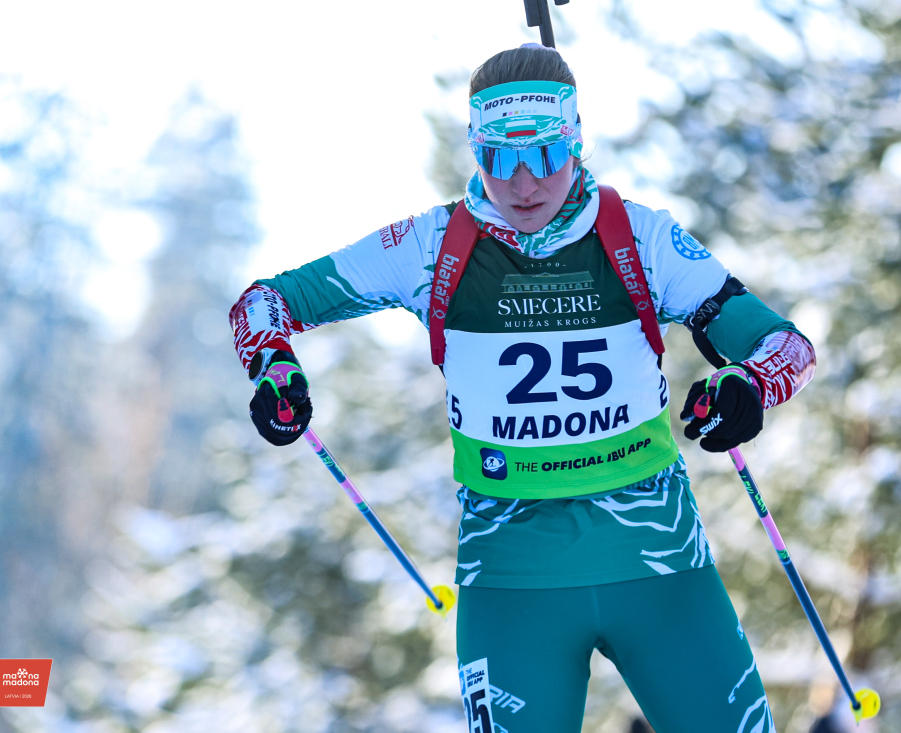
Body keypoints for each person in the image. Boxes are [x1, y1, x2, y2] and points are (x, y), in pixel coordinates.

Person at [229, 44, 816, 733]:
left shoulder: (641, 238)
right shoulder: (430, 246)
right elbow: (263, 303)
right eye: (498, 158)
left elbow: (787, 347)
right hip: (512, 581)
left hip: (657, 562)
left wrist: (749, 386)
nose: (523, 181)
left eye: (545, 153)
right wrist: (274, 368)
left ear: (576, 141)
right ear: (474, 150)